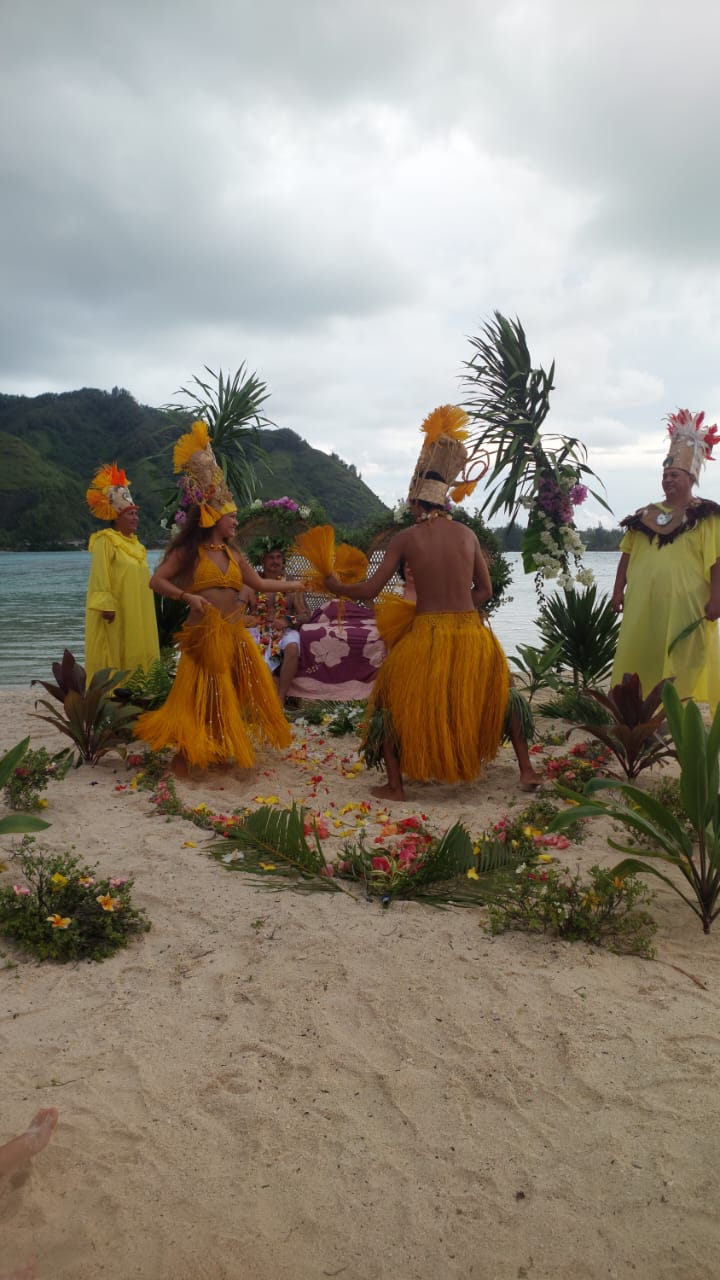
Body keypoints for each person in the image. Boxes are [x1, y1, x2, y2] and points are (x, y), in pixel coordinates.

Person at [325, 405, 511, 800]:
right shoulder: (467, 535)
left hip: (427, 634)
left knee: (388, 701)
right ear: (444, 501)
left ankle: (396, 786)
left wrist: (336, 586)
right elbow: (485, 592)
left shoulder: (406, 539)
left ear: (415, 502)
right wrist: (461, 612)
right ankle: (458, 764)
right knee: (459, 701)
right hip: (473, 636)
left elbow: (369, 591)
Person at [135, 423, 304, 773]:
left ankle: (215, 747)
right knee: (198, 697)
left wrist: (294, 586)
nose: (236, 523)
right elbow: (157, 581)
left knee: (226, 695)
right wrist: (188, 597)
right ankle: (186, 755)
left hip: (232, 634)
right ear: (214, 516)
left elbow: (258, 583)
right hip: (202, 636)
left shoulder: (234, 553)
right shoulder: (191, 551)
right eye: (232, 518)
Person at [611, 408, 720, 708]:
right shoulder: (645, 515)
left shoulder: (706, 516)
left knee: (683, 659)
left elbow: (716, 561)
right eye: (665, 475)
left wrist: (716, 597)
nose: (668, 480)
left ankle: (677, 710)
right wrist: (618, 590)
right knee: (643, 653)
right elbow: (626, 554)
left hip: (687, 605)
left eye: (674, 475)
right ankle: (642, 713)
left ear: (690, 477)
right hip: (644, 604)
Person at [84, 463, 160, 684]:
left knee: (139, 643)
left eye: (136, 514)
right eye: (130, 514)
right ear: (116, 517)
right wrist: (106, 605)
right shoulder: (105, 540)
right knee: (117, 647)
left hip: (138, 606)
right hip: (116, 609)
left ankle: (142, 690)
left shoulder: (137, 546)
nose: (135, 518)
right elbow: (100, 575)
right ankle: (112, 695)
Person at [240, 544, 311, 704]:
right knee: (243, 644)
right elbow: (237, 613)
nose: (275, 561)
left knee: (293, 646)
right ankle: (249, 697)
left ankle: (281, 697)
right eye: (271, 557)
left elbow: (305, 615)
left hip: (284, 628)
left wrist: (286, 620)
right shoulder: (250, 584)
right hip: (257, 629)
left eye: (279, 557)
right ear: (262, 561)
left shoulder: (292, 584)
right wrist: (250, 620)